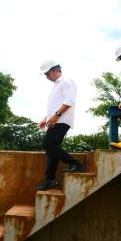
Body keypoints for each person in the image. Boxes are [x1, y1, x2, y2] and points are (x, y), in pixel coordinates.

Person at [36, 60, 83, 191]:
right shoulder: (56, 85)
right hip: (56, 119)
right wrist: (46, 119)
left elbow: (69, 101)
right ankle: (50, 179)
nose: (47, 77)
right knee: (51, 150)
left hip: (62, 119)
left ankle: (74, 162)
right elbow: (55, 104)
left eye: (48, 74)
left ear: (56, 70)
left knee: (48, 144)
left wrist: (56, 115)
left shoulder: (66, 81)